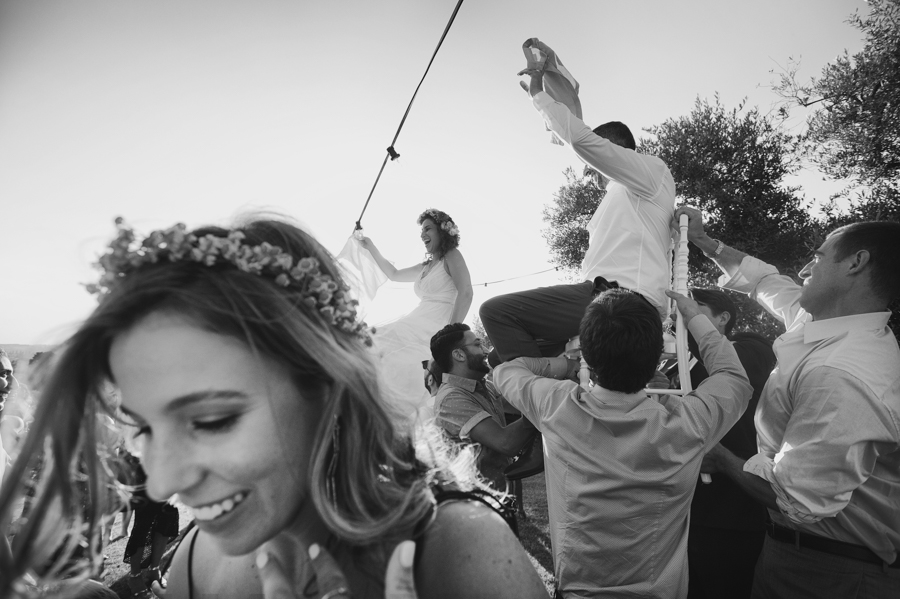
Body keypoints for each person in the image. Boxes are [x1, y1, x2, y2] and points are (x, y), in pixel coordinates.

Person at [0, 216, 546, 599]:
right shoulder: (193, 559)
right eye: (142, 428)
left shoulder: (459, 552)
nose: (163, 484)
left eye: (211, 421)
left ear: (325, 385)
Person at [679, 207, 900, 597]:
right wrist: (703, 241)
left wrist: (722, 459)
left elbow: (797, 500)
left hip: (833, 571)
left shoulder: (842, 374)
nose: (803, 270)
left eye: (817, 257)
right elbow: (763, 280)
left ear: (856, 263)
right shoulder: (817, 321)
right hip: (798, 553)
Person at [493, 288, 752, 598]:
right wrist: (694, 317)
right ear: (657, 357)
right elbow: (734, 377)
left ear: (587, 356)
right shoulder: (690, 423)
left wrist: (565, 365)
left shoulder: (555, 406)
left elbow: (505, 370)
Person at [480, 47, 676, 365]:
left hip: (622, 299)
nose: (588, 172)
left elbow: (582, 140)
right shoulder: (623, 195)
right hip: (601, 296)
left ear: (613, 148)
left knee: (496, 312)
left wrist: (538, 91)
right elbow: (583, 140)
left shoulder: (651, 173)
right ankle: (551, 391)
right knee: (497, 358)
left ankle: (547, 389)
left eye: (592, 163)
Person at [682, 289, 776, 599]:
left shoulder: (751, 348)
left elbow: (728, 366)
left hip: (736, 510)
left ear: (723, 318)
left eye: (696, 307)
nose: (683, 314)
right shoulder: (685, 365)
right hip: (691, 511)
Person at [360, 209, 473, 420]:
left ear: (443, 230)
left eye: (428, 229)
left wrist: (449, 336)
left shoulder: (451, 256)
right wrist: (370, 246)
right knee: (373, 343)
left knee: (404, 364)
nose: (423, 235)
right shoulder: (426, 266)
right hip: (415, 320)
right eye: (421, 231)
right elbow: (393, 274)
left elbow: (466, 292)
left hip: (436, 326)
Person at [429, 324, 540, 493]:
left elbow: (521, 404)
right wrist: (541, 402)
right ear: (459, 355)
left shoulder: (485, 386)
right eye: (477, 344)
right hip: (477, 500)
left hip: (500, 493)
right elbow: (506, 443)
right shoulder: (451, 398)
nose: (486, 351)